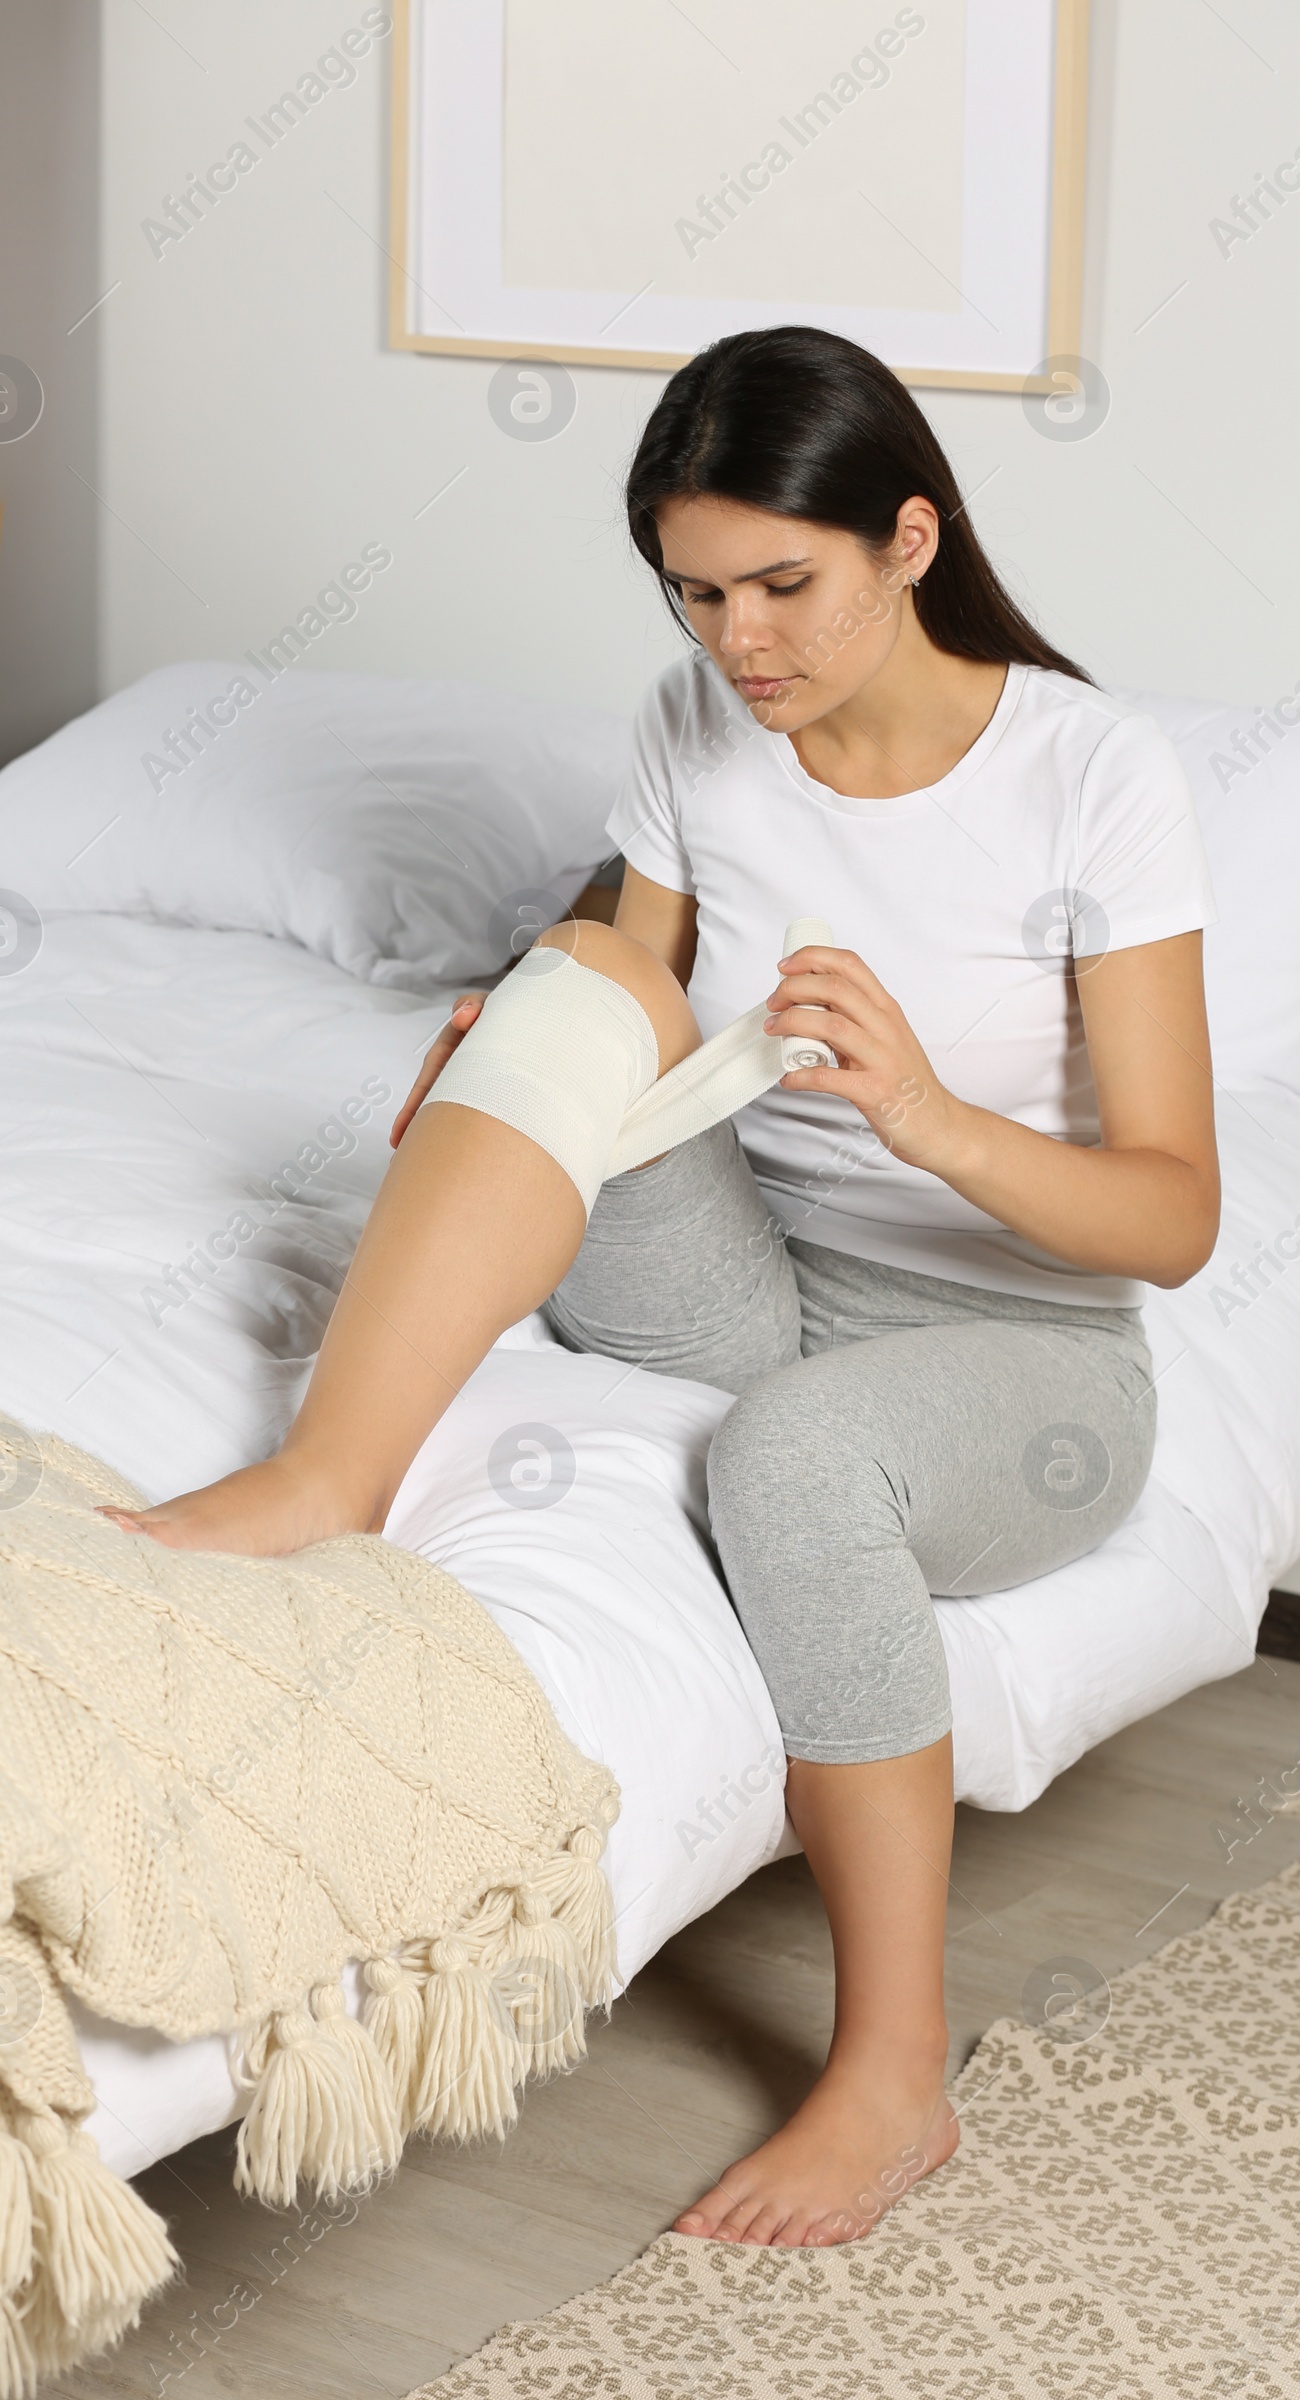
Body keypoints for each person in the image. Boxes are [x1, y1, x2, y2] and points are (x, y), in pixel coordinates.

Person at [105, 327, 1221, 2250]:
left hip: (1022, 1350)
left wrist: (937, 1120)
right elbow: (635, 997)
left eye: (783, 586)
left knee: (795, 1460)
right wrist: (522, 1050)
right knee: (585, 979)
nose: (741, 644)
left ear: (907, 537)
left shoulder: (1091, 774)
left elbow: (1177, 1217)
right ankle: (326, 1478)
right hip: (748, 1272)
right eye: (696, 594)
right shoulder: (692, 724)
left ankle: (895, 2074)